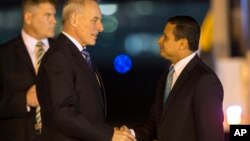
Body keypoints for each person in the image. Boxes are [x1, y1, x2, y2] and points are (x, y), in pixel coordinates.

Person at [36, 0, 136, 141]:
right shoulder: (59, 57)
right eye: (94, 20)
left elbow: (86, 108)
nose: (101, 28)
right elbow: (63, 114)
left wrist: (109, 131)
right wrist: (109, 135)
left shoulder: (76, 53)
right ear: (74, 20)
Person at [123, 15, 224, 141]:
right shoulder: (167, 75)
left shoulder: (204, 80)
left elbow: (211, 136)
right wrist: (129, 134)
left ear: (182, 44)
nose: (159, 41)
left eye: (165, 36)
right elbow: (156, 125)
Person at [0, 0, 57, 141]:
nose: (54, 21)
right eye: (48, 15)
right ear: (28, 17)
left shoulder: (64, 52)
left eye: (54, 15)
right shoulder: (3, 55)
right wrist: (24, 100)